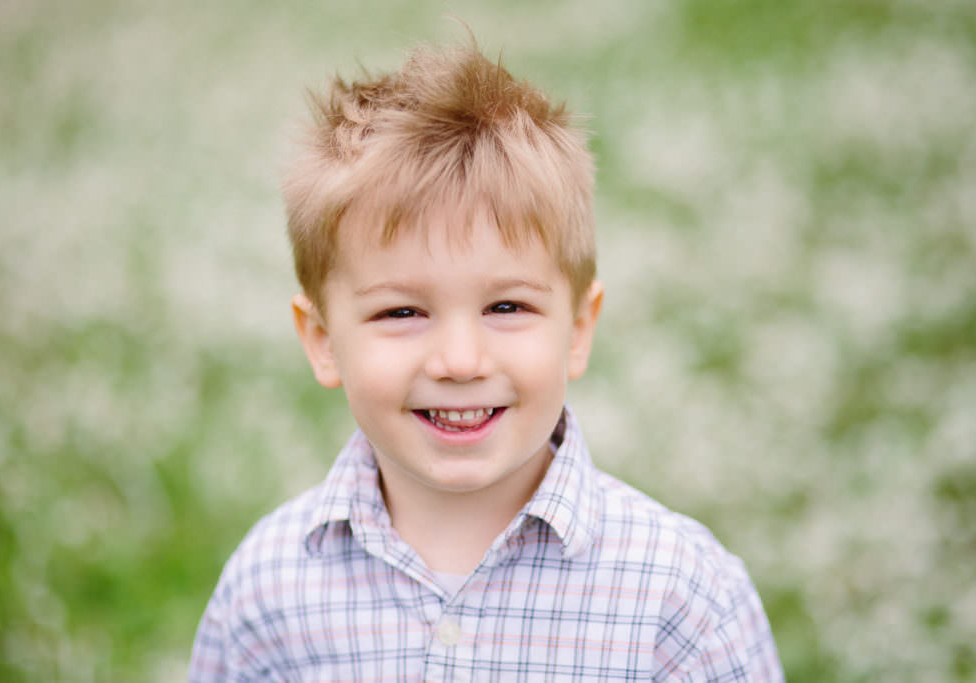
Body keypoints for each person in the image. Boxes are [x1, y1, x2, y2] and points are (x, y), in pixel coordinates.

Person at [188, 36, 784, 682]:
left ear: (579, 327)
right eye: (402, 312)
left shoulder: (682, 599)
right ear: (323, 339)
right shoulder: (268, 592)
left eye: (506, 307)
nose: (460, 360)